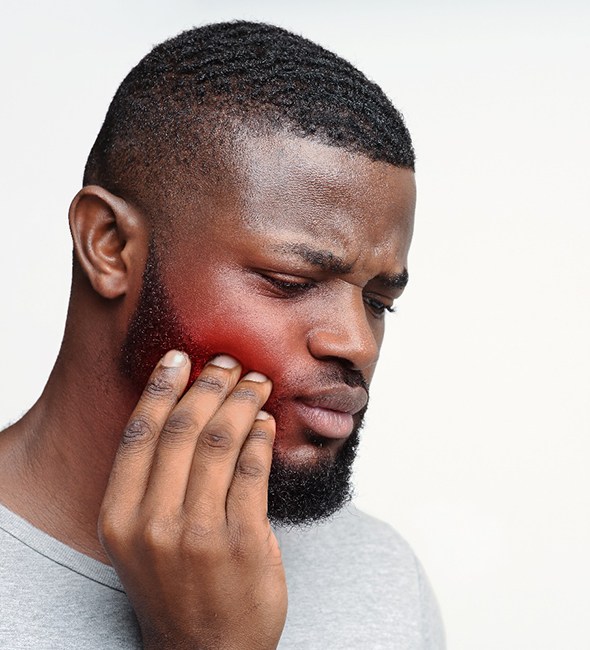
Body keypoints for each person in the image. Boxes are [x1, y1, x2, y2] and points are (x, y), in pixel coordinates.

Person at [0, 20, 444, 649]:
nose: (358, 343)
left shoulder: (380, 578)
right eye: (289, 280)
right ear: (110, 246)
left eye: (379, 302)